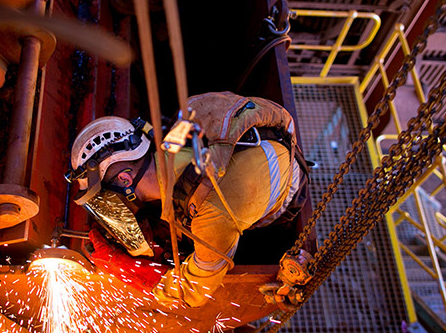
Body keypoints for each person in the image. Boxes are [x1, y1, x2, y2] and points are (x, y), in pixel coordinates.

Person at [65, 91, 312, 309]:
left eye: (107, 197)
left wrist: (127, 268)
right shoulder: (184, 127)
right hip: (267, 142)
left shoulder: (213, 213)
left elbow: (194, 292)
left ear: (125, 179)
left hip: (280, 199)